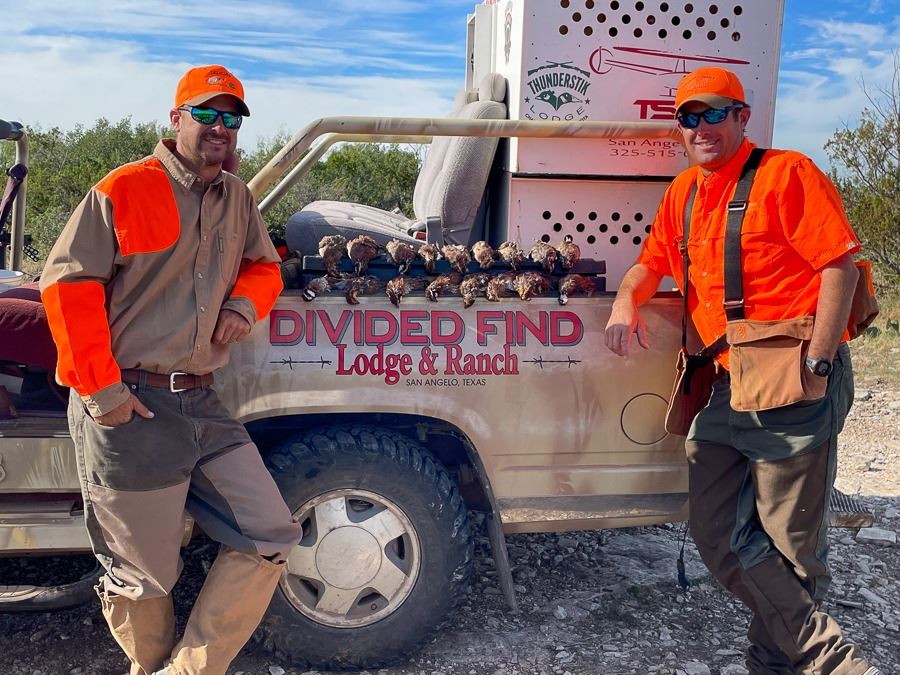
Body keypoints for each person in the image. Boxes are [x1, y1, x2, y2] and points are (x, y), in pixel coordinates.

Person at [605, 67, 879, 675]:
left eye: (713, 113)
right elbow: (651, 264)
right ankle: (825, 658)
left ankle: (788, 664)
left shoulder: (787, 173)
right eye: (689, 116)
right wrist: (626, 300)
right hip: (728, 380)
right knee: (716, 531)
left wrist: (819, 361)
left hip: (794, 375)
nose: (700, 126)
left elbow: (838, 266)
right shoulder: (684, 192)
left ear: (741, 117)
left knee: (791, 544)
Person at [39, 65, 301, 675]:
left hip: (201, 401)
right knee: (145, 579)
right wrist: (102, 391)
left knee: (269, 535)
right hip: (130, 402)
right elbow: (68, 284)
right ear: (176, 118)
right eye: (205, 114)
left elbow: (265, 266)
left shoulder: (237, 197)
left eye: (230, 118)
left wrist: (243, 305)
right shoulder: (123, 188)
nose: (219, 127)